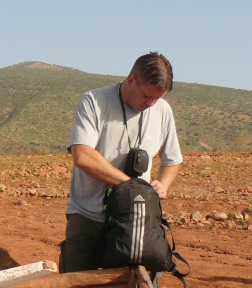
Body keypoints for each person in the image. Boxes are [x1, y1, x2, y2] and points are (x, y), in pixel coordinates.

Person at [62, 52, 183, 273]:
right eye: (147, 96)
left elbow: (173, 160)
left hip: (135, 220)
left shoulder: (162, 110)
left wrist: (163, 184)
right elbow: (82, 155)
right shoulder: (94, 101)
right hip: (88, 217)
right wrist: (132, 186)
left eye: (158, 98)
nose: (151, 103)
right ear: (131, 80)